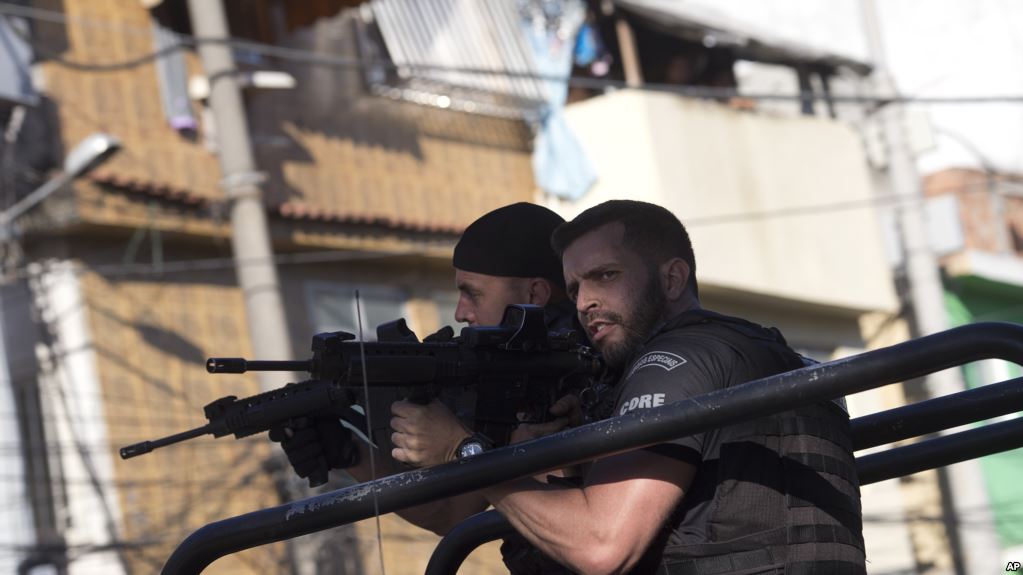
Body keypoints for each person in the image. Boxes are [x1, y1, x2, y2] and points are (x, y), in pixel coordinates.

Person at [393, 200, 866, 574]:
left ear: (672, 278)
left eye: (606, 275)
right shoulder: (759, 352)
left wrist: (465, 451)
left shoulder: (674, 359)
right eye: (575, 288)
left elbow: (603, 547)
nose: (585, 301)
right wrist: (580, 454)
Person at [270, 202, 581, 532]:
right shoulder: (508, 386)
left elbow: (582, 532)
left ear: (534, 295)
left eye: (473, 294)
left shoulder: (588, 377)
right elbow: (448, 514)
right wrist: (352, 454)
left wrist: (461, 448)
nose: (460, 313)